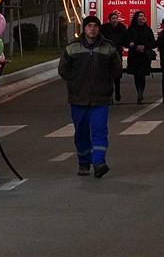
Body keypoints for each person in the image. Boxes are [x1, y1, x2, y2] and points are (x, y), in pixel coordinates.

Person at [57, 14, 121, 179]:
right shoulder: (72, 48)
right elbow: (63, 70)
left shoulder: (108, 47)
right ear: (84, 29)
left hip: (101, 98)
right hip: (78, 98)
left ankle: (99, 162)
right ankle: (84, 162)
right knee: (81, 132)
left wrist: (106, 83)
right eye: (89, 26)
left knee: (100, 130)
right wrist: (76, 82)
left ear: (99, 28)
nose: (92, 29)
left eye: (95, 26)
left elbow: (116, 69)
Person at [126, 11, 155, 104]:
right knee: (136, 75)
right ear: (136, 18)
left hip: (144, 55)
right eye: (140, 16)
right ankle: (138, 91)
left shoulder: (148, 30)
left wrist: (145, 47)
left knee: (142, 75)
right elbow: (126, 40)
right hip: (134, 55)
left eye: (143, 15)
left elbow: (152, 42)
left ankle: (141, 92)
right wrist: (132, 45)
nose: (142, 17)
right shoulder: (131, 29)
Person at [100, 11, 127, 102]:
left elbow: (125, 38)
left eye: (116, 18)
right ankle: (109, 95)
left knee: (117, 74)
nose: (115, 20)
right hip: (107, 53)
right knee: (108, 75)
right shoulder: (104, 28)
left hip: (117, 52)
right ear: (109, 20)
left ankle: (118, 92)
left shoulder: (121, 27)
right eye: (113, 19)